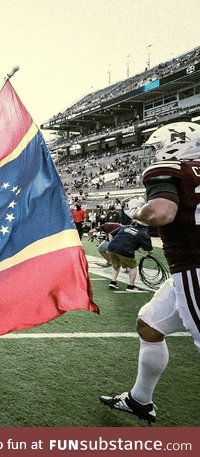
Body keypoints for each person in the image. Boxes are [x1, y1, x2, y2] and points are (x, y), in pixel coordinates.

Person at [100, 121, 200, 424]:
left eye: (158, 147)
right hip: (188, 268)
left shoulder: (171, 169)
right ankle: (140, 399)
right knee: (149, 324)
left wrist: (137, 211)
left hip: (195, 266)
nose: (155, 154)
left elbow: (161, 212)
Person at [106, 220, 153, 292]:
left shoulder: (125, 227)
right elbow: (150, 251)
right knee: (133, 267)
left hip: (111, 248)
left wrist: (113, 243)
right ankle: (130, 286)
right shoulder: (144, 234)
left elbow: (110, 234)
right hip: (125, 250)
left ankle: (113, 282)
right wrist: (147, 256)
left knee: (116, 265)